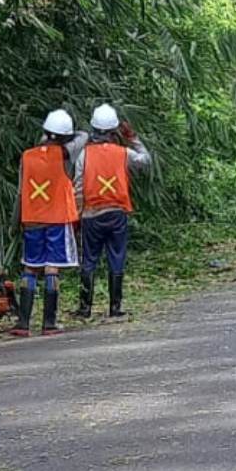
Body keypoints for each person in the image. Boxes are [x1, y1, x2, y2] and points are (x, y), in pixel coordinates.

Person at [10, 109, 88, 338]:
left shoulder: (27, 155)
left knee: (30, 267)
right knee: (52, 266)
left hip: (31, 217)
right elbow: (83, 136)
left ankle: (23, 324)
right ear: (66, 136)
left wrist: (15, 223)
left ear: (44, 131)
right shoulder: (65, 154)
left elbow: (19, 192)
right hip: (57, 218)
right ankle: (49, 323)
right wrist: (63, 137)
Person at [72, 103, 152, 319]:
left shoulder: (84, 155)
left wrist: (77, 215)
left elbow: (78, 187)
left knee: (89, 260)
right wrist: (133, 138)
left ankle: (85, 308)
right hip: (117, 212)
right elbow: (146, 160)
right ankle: (115, 307)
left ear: (94, 129)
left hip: (91, 214)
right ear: (114, 130)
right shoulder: (123, 153)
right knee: (116, 257)